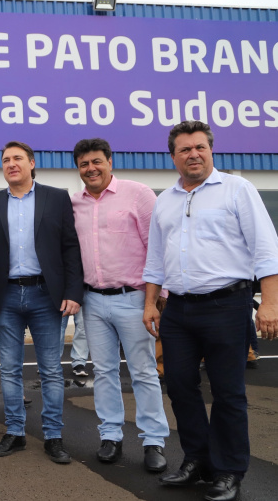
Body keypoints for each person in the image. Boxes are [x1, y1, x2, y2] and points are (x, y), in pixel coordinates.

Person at [143, 120, 278, 501]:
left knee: (227, 392)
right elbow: (155, 258)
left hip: (227, 305)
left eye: (199, 147)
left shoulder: (237, 190)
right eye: (185, 149)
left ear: (210, 150)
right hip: (179, 310)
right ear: (173, 157)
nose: (193, 154)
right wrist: (150, 302)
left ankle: (229, 470)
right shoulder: (165, 200)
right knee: (181, 386)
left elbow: (266, 249)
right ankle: (197, 461)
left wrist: (270, 302)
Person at [0, 140, 83, 464]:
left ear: (32, 163)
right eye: (5, 160)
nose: (11, 164)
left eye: (17, 158)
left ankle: (53, 437)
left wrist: (73, 292)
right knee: (8, 369)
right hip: (5, 297)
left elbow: (70, 249)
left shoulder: (56, 197)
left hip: (46, 296)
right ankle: (15, 433)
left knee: (50, 369)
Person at [70, 138, 169, 472]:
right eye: (84, 164)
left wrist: (155, 300)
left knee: (143, 373)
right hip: (93, 302)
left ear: (110, 161)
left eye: (97, 161)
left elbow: (157, 247)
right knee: (105, 372)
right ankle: (110, 435)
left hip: (135, 299)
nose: (91, 169)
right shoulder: (74, 204)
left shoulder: (138, 194)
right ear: (78, 168)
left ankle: (154, 440)